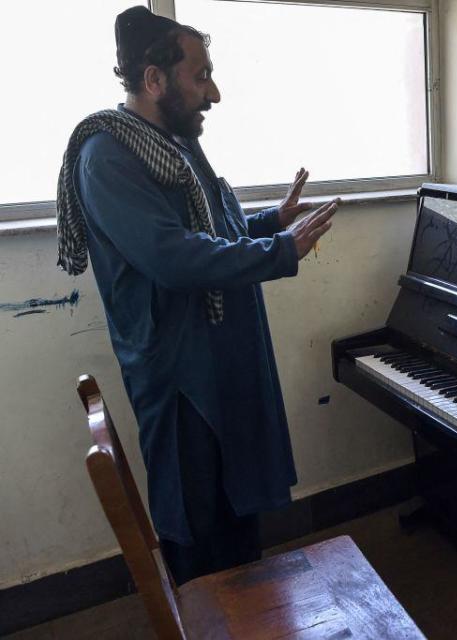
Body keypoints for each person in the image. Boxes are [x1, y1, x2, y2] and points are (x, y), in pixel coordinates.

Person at [55, 6, 336, 585]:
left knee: (239, 528)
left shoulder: (175, 143)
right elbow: (173, 257)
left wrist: (269, 224)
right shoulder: (107, 156)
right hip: (181, 377)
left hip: (223, 362)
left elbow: (212, 232)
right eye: (200, 74)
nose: (214, 93)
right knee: (200, 530)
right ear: (154, 79)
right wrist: (281, 251)